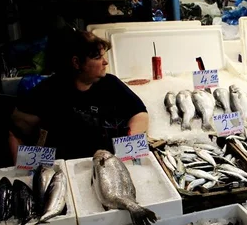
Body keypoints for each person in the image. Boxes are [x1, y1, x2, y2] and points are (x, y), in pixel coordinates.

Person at [9, 28, 148, 161]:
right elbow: (16, 130)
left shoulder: (111, 84)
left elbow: (140, 114)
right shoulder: (48, 90)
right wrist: (25, 169)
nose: (105, 62)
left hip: (106, 161)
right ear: (76, 62)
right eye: (98, 57)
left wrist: (126, 150)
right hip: (65, 169)